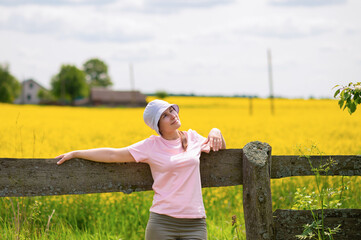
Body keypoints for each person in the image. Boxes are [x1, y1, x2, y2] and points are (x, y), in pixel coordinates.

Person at [56, 99, 226, 240]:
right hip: (162, 223)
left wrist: (216, 131)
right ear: (158, 125)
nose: (172, 116)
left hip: (195, 223)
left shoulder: (193, 138)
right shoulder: (151, 146)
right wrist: (76, 153)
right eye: (165, 115)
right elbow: (113, 155)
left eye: (171, 111)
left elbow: (220, 147)